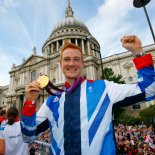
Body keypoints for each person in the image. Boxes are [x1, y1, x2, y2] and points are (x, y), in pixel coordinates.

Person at [21, 35, 155, 155]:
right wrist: (30, 102)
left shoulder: (104, 88)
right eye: (67, 59)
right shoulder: (52, 101)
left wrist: (138, 53)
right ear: (60, 64)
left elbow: (150, 89)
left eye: (76, 59)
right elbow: (28, 136)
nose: (72, 63)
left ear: (82, 63)